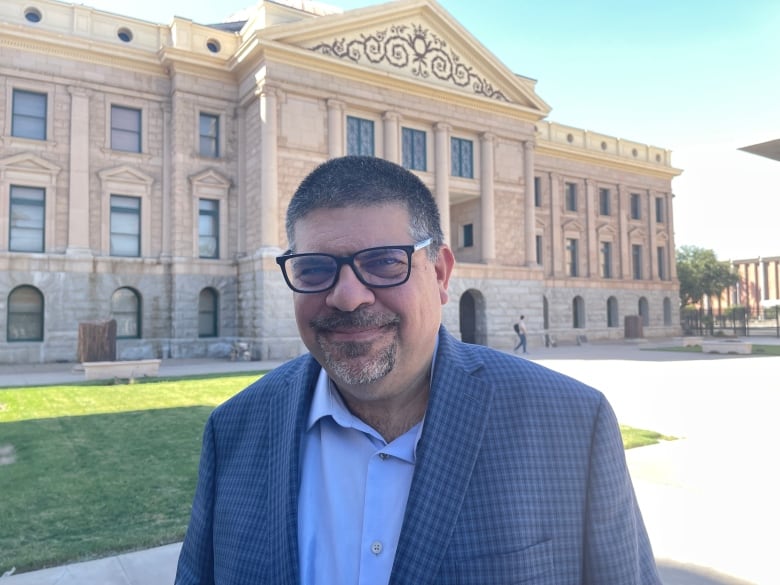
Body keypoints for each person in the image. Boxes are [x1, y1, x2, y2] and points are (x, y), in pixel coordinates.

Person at [175, 156, 661, 584]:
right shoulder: (234, 429)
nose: (347, 296)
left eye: (385, 263)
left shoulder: (571, 424)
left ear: (441, 274)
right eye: (314, 269)